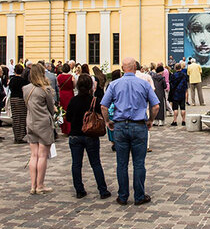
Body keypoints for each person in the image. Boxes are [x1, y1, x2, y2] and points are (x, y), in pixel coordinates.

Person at [100, 57, 159, 206]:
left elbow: (104, 106)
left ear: (122, 68)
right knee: (139, 163)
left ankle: (123, 196)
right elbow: (156, 106)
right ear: (135, 67)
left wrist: (107, 121)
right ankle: (139, 196)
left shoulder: (114, 84)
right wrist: (151, 120)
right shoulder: (144, 84)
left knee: (122, 163)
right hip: (139, 125)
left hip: (120, 126)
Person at [66, 75, 111, 199]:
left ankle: (79, 190)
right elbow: (101, 115)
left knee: (76, 164)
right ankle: (103, 190)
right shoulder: (94, 100)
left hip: (75, 135)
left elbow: (68, 118)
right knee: (96, 163)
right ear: (91, 86)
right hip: (90, 135)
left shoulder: (73, 100)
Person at [23, 64, 56, 194]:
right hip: (43, 123)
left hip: (30, 121)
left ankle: (32, 185)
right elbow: (50, 107)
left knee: (33, 155)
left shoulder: (26, 89)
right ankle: (40, 185)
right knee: (42, 155)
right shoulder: (45, 89)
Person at [8, 64, 30, 144]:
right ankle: (20, 136)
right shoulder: (23, 81)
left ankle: (16, 136)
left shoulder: (12, 80)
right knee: (22, 118)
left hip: (13, 99)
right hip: (21, 100)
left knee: (15, 118)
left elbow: (10, 88)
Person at [57, 64, 75, 135]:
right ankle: (70, 128)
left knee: (63, 111)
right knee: (70, 110)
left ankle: (64, 129)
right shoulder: (71, 77)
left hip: (62, 94)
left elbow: (58, 85)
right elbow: (73, 86)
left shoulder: (59, 77)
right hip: (70, 93)